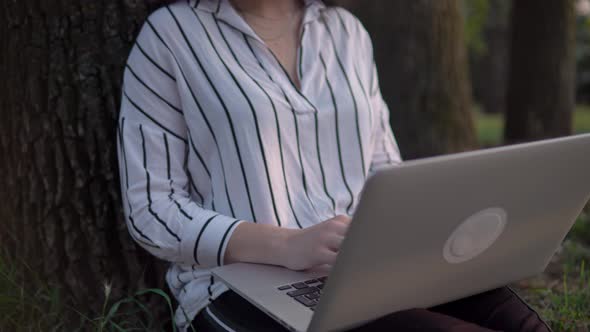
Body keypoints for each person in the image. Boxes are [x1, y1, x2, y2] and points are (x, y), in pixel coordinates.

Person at [116, 0, 551, 330]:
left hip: (369, 271)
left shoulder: (348, 34)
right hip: (239, 291)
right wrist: (287, 246)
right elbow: (151, 209)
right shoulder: (170, 37)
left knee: (516, 321)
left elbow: (384, 167)